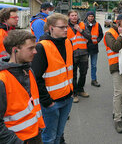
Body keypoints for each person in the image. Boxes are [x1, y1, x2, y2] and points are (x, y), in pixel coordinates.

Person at [31, 13, 73, 144]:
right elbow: (36, 78)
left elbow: (69, 70)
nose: (66, 30)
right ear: (51, 28)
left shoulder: (68, 42)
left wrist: (72, 92)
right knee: (49, 138)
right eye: (61, 27)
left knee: (59, 135)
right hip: (51, 103)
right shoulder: (41, 47)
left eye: (66, 26)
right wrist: (47, 102)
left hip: (67, 97)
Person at [0, 30, 45, 144]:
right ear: (15, 50)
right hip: (17, 140)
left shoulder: (28, 70)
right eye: (30, 48)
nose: (35, 51)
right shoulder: (2, 80)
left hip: (35, 134)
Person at [67, 10, 91, 103]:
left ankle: (81, 90)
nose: (74, 17)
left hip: (83, 53)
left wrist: (80, 30)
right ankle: (74, 93)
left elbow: (89, 36)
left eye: (75, 15)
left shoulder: (83, 25)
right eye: (72, 15)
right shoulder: (66, 26)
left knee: (83, 73)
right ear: (69, 16)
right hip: (72, 54)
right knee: (73, 74)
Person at [84, 11, 103, 87]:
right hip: (85, 48)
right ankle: (82, 81)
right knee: (84, 66)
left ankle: (94, 80)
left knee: (94, 65)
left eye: (92, 16)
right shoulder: (83, 25)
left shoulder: (98, 25)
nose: (91, 18)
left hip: (94, 48)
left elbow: (101, 35)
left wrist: (97, 40)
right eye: (89, 16)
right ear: (87, 17)